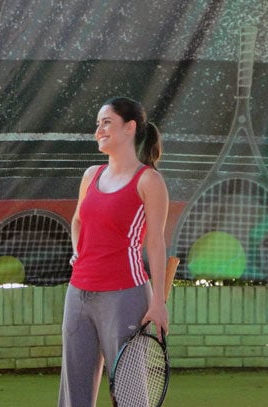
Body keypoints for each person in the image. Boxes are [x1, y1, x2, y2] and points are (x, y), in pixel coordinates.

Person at [58, 96, 170, 406]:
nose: (99, 130)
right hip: (78, 294)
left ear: (129, 128)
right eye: (98, 124)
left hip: (125, 296)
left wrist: (158, 303)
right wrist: (78, 251)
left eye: (106, 122)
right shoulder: (91, 175)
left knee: (130, 395)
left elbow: (156, 242)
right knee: (73, 394)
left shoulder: (149, 180)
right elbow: (78, 220)